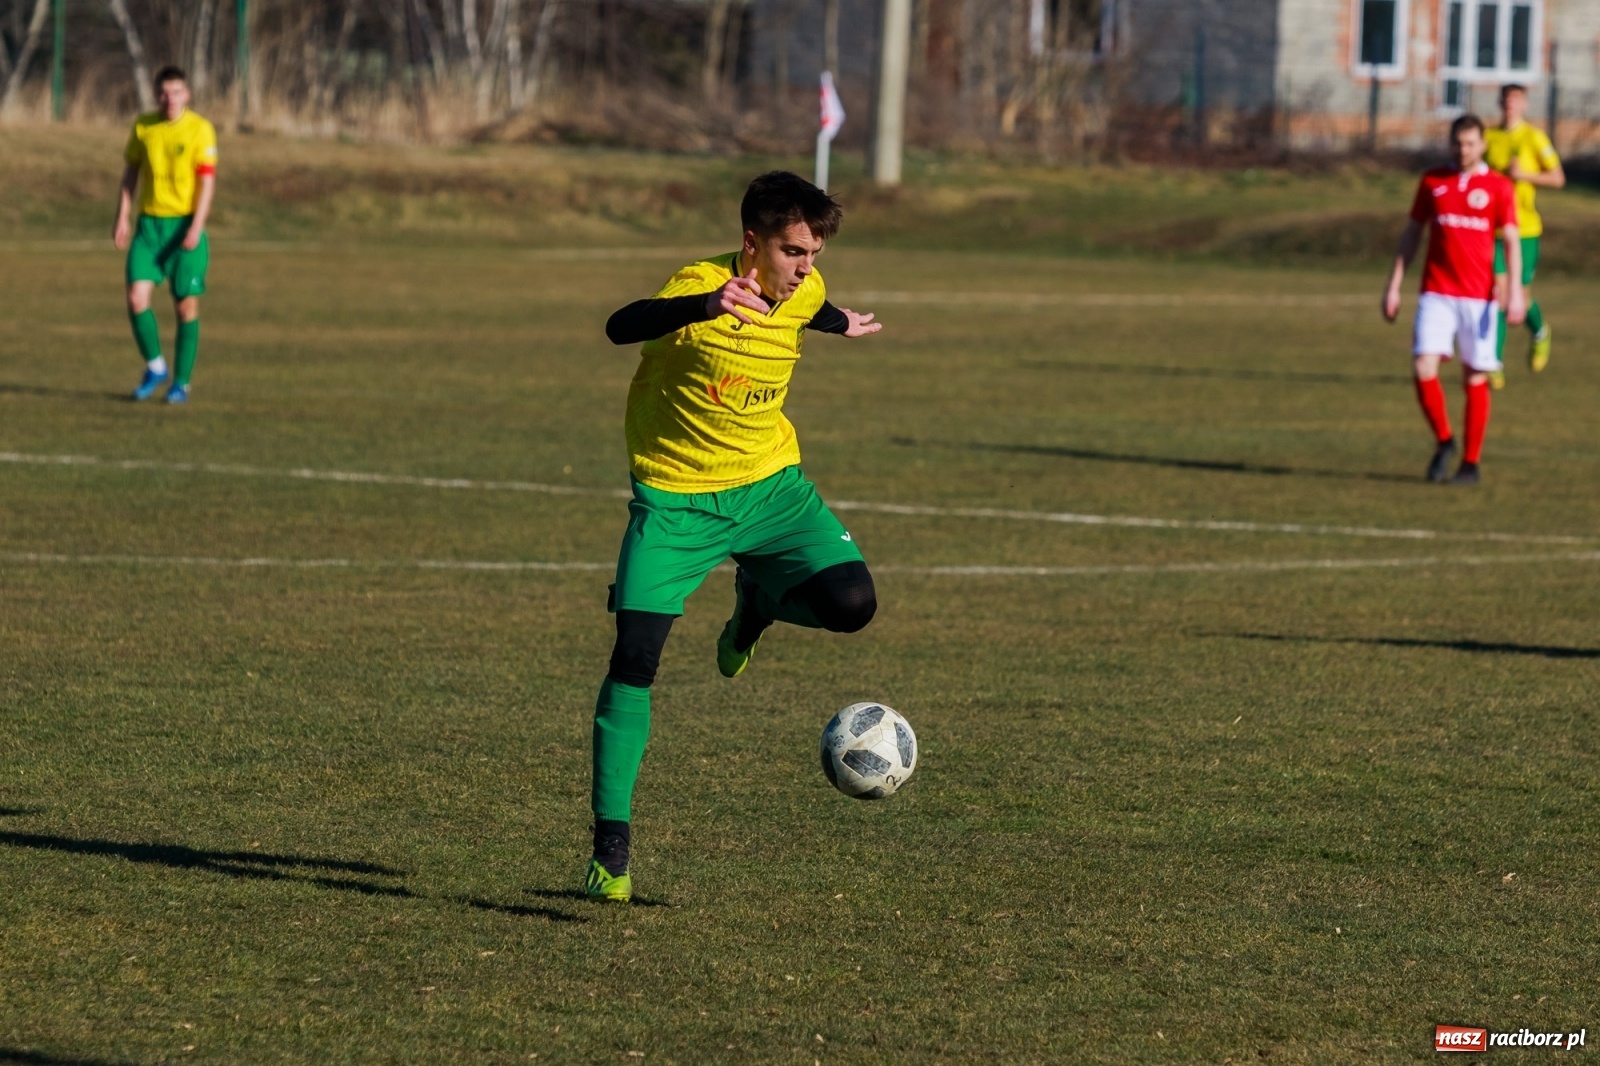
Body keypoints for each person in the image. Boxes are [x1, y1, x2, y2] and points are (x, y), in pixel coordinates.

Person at [586, 171, 883, 902]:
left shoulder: (805, 289)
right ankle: (610, 851)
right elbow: (620, 326)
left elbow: (810, 307)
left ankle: (758, 603)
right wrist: (705, 304)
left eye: (813, 254)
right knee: (634, 657)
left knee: (852, 605)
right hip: (677, 500)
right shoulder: (699, 288)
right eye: (792, 252)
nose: (805, 268)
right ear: (752, 244)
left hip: (771, 488)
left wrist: (840, 322)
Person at [1382, 114, 1523, 486]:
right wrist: (1394, 285)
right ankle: (1445, 440)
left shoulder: (1499, 186)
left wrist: (1515, 291)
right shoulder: (1433, 181)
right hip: (1437, 292)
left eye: (1471, 144)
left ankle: (1470, 464)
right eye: (1458, 144)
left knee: (1474, 376)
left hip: (1479, 297)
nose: (1464, 150)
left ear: (1483, 145)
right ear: (1450, 144)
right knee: (1423, 366)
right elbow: (1412, 234)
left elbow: (1510, 240)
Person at [112, 66, 217, 404]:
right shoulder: (144, 127)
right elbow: (131, 173)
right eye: (163, 92)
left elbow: (207, 183)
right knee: (136, 298)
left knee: (185, 307)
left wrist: (197, 226)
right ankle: (156, 367)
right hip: (149, 227)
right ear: (156, 95)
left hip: (184, 227)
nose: (169, 99)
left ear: (187, 94)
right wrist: (122, 216)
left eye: (176, 92)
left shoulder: (200, 129)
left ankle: (181, 383)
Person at [1485, 83, 1564, 384]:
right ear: (1499, 103)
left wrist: (1524, 175)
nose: (1510, 105)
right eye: (1506, 100)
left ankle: (1540, 332)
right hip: (1493, 229)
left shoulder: (1534, 137)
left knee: (1521, 294)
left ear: (1524, 105)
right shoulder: (1488, 137)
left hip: (1525, 230)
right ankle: (1493, 362)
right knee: (1498, 293)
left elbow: (1557, 178)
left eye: (1516, 100)